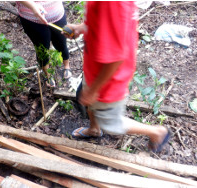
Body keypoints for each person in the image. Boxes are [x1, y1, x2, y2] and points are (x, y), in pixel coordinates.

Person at [64, 1, 172, 153]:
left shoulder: (112, 3)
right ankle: (94, 129)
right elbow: (103, 24)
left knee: (111, 124)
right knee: (91, 105)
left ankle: (157, 132)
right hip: (95, 70)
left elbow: (116, 57)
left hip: (107, 80)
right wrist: (82, 28)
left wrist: (94, 90)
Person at [15, 1, 71, 79]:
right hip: (32, 20)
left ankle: (67, 66)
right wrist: (32, 6)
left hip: (58, 14)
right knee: (42, 50)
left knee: (61, 43)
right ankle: (47, 75)